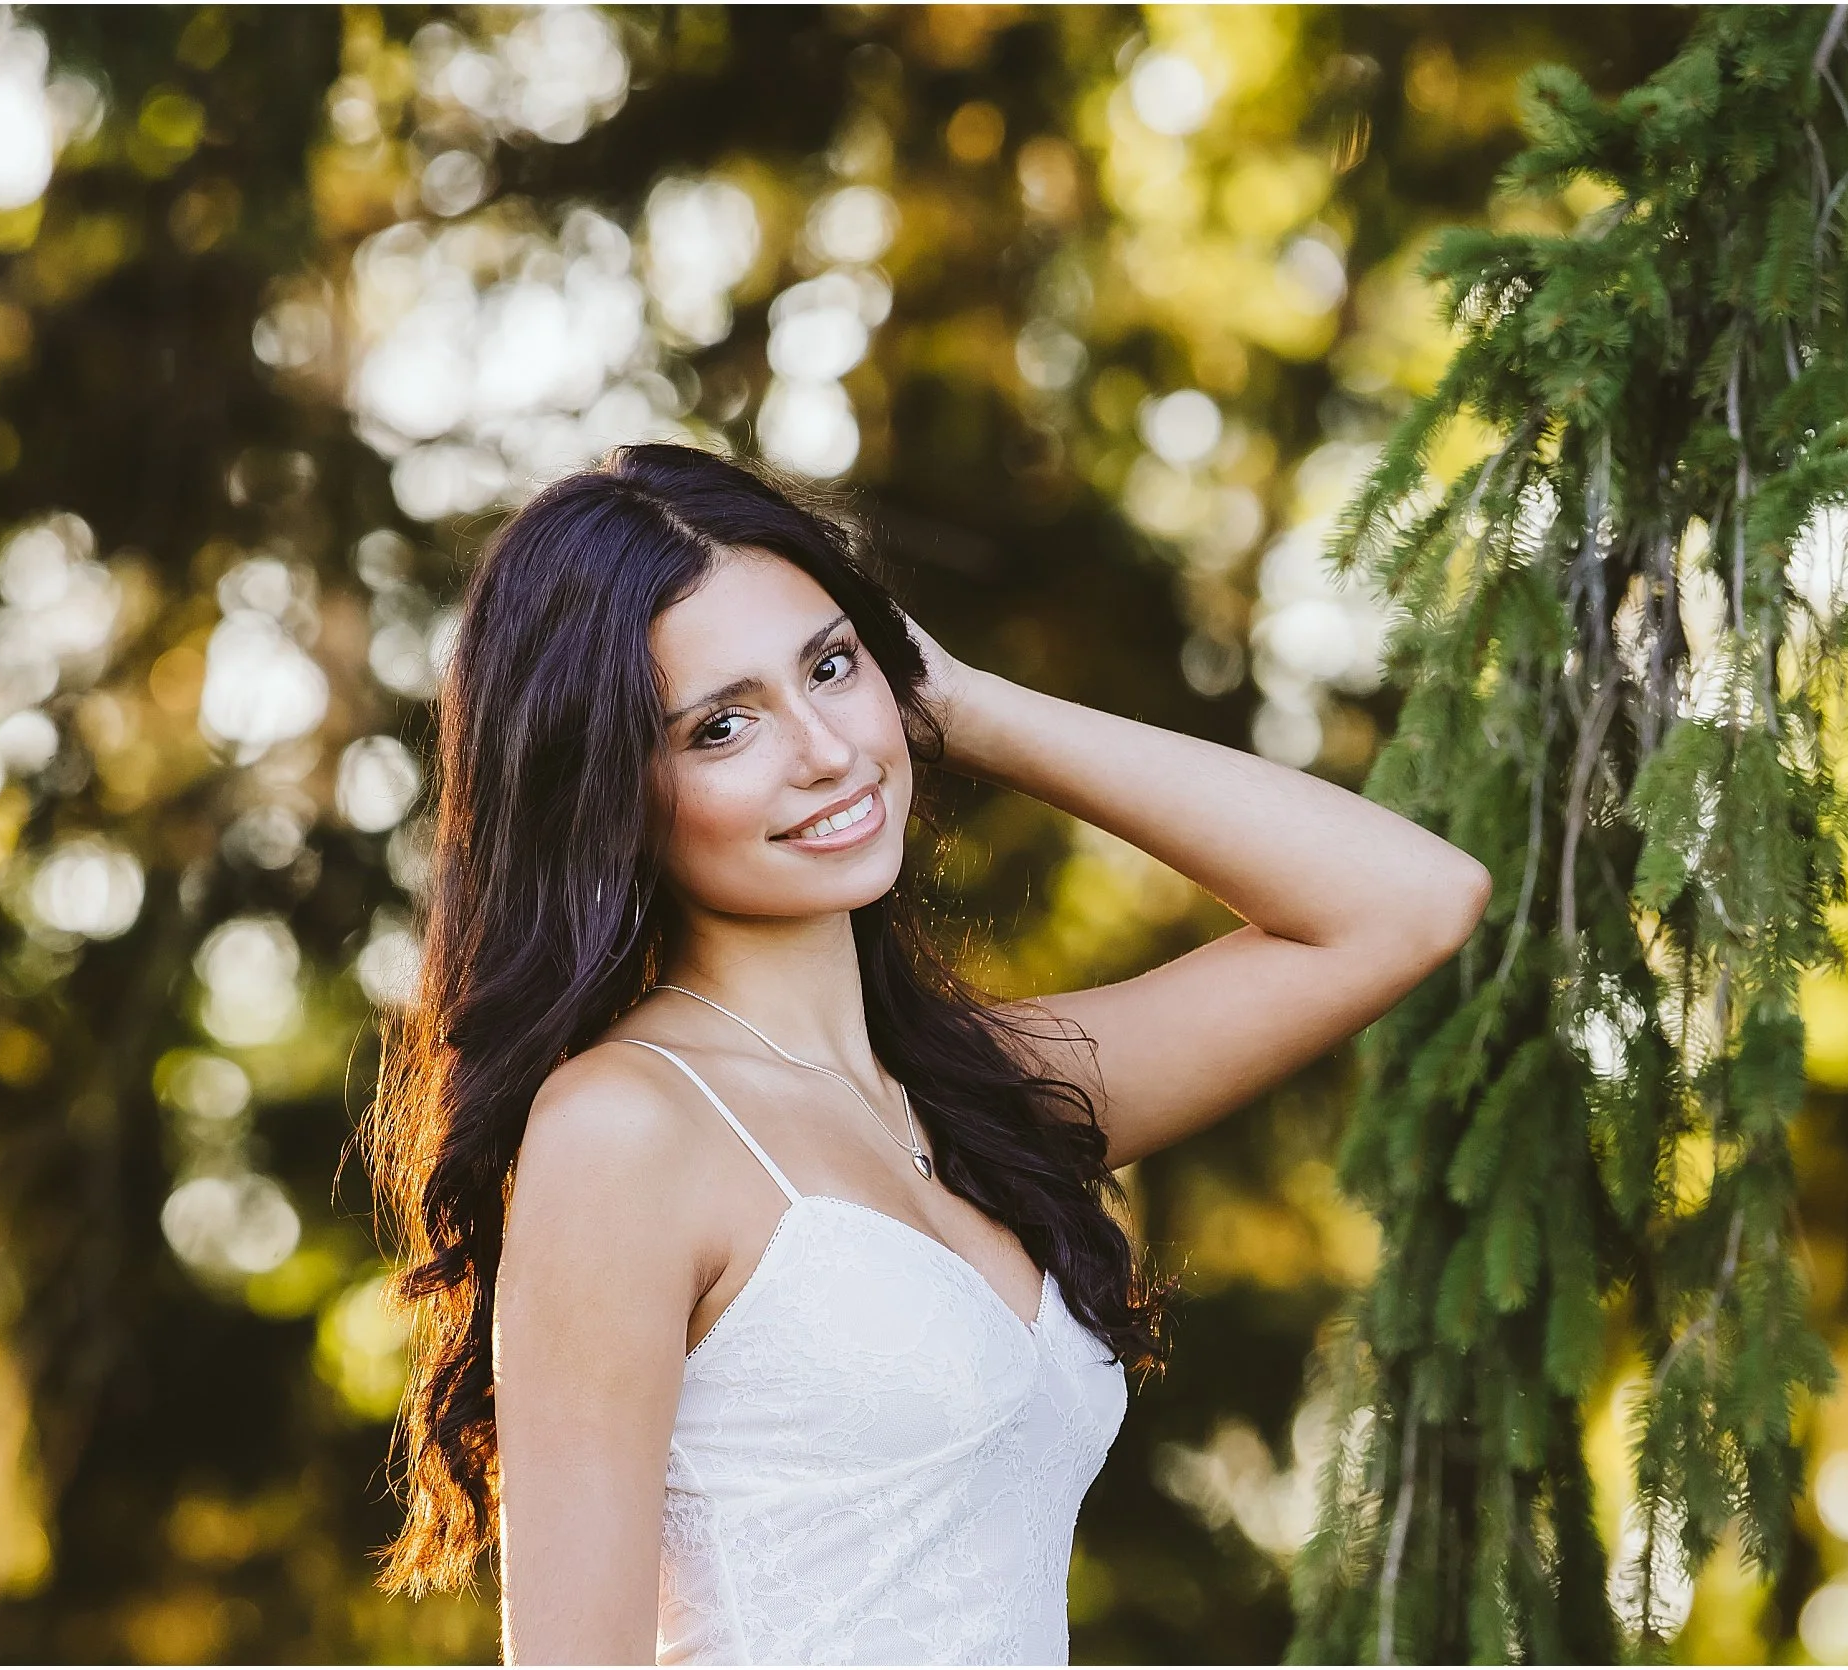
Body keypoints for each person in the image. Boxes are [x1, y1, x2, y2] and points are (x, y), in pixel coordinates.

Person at [354, 443, 1491, 1665]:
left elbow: (1409, 901)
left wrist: (964, 705)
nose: (827, 750)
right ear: (610, 791)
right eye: (722, 725)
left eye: (830, 665)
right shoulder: (626, 1126)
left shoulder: (981, 1094)